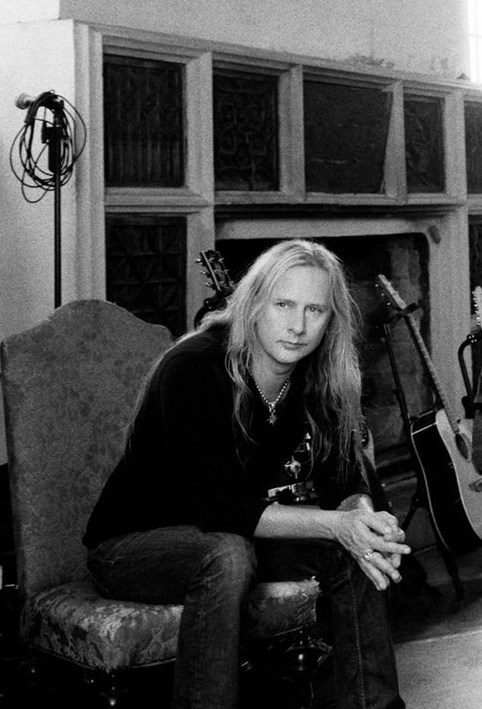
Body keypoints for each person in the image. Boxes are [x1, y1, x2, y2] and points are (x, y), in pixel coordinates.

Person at [84, 238, 408, 709]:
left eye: (315, 310)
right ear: (254, 303)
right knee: (228, 554)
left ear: (331, 319)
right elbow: (218, 506)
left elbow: (345, 483)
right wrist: (337, 524)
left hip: (233, 535)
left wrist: (363, 519)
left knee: (357, 549)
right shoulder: (193, 365)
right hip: (133, 547)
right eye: (284, 305)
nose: (298, 326)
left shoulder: (322, 375)